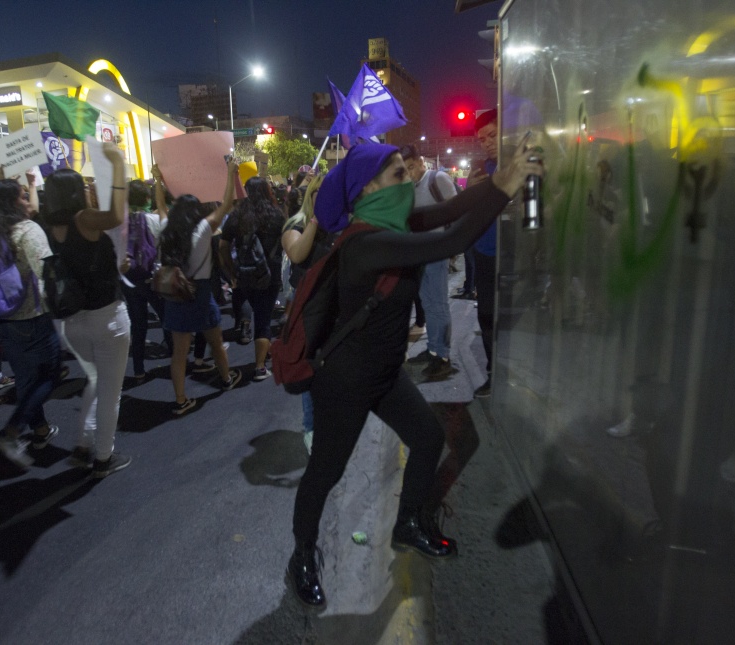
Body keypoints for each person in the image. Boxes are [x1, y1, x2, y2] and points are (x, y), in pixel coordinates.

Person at [285, 142, 543, 609]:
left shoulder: (394, 223)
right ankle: (302, 553)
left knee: (427, 438)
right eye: (400, 175)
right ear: (370, 188)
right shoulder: (366, 241)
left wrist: (497, 178)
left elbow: (452, 207)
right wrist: (505, 188)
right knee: (326, 471)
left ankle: (407, 524)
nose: (409, 183)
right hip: (344, 382)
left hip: (384, 374)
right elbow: (450, 240)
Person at [44, 145, 133, 478]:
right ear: (75, 192)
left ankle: (82, 444)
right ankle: (103, 457)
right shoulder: (83, 218)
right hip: (106, 319)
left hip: (72, 322)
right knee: (111, 393)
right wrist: (119, 165)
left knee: (95, 381)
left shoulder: (51, 226)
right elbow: (116, 215)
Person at [0, 180, 61, 468]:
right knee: (50, 376)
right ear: (13, 202)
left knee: (27, 377)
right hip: (29, 316)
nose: (29, 201)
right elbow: (46, 270)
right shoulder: (27, 230)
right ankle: (11, 431)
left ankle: (40, 429)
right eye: (25, 196)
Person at [159, 159, 243, 414]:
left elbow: (162, 206)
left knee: (179, 354)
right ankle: (227, 379)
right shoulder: (203, 229)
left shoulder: (166, 228)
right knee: (216, 342)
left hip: (177, 294)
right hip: (201, 294)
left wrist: (159, 181)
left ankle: (180, 400)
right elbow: (227, 205)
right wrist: (230, 173)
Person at [400, 143, 459, 380]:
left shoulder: (438, 179)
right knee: (426, 303)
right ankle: (433, 349)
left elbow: (457, 212)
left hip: (437, 252)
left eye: (412, 167)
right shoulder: (407, 187)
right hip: (418, 253)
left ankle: (442, 357)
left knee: (438, 305)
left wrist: (453, 245)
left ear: (421, 162)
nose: (410, 173)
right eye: (405, 170)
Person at [280, 174, 331, 453]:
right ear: (310, 194)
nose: (326, 196)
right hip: (307, 313)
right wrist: (316, 220)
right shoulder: (296, 224)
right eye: (320, 192)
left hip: (334, 309)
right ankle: (311, 428)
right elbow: (297, 254)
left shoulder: (338, 225)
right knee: (311, 371)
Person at [219, 176, 287, 382]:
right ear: (267, 191)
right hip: (270, 274)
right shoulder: (276, 215)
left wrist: (231, 272)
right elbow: (285, 242)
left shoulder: (238, 215)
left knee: (257, 310)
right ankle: (259, 367)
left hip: (245, 273)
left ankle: (262, 349)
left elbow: (222, 246)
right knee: (264, 318)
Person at [121, 173, 169, 383]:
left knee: (138, 324)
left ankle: (138, 369)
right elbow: (165, 216)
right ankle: (175, 355)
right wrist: (159, 183)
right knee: (166, 317)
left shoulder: (118, 224)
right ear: (147, 200)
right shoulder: (154, 221)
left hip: (129, 280)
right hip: (153, 278)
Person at [465, 109, 500, 397]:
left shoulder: (518, 167)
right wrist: (470, 192)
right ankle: (493, 372)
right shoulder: (479, 168)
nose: (487, 143)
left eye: (493, 135)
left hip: (513, 255)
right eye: (482, 139)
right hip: (484, 254)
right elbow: (465, 211)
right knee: (486, 315)